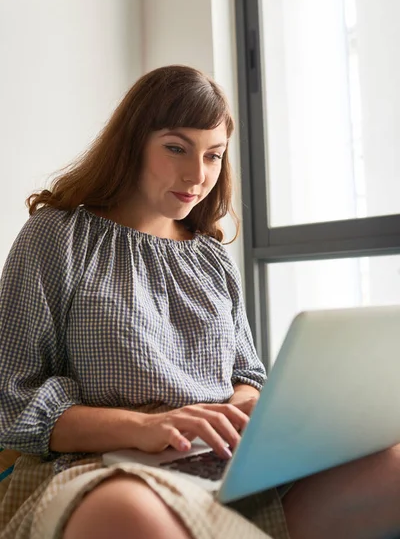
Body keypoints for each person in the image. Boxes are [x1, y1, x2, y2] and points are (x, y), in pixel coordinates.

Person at [0, 65, 400, 539]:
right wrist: (144, 427)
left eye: (214, 156)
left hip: (219, 460)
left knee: (392, 464)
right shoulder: (58, 236)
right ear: (131, 145)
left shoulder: (211, 257)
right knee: (127, 514)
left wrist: (250, 410)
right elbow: (12, 402)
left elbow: (247, 377)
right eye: (176, 148)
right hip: (101, 465)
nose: (198, 174)